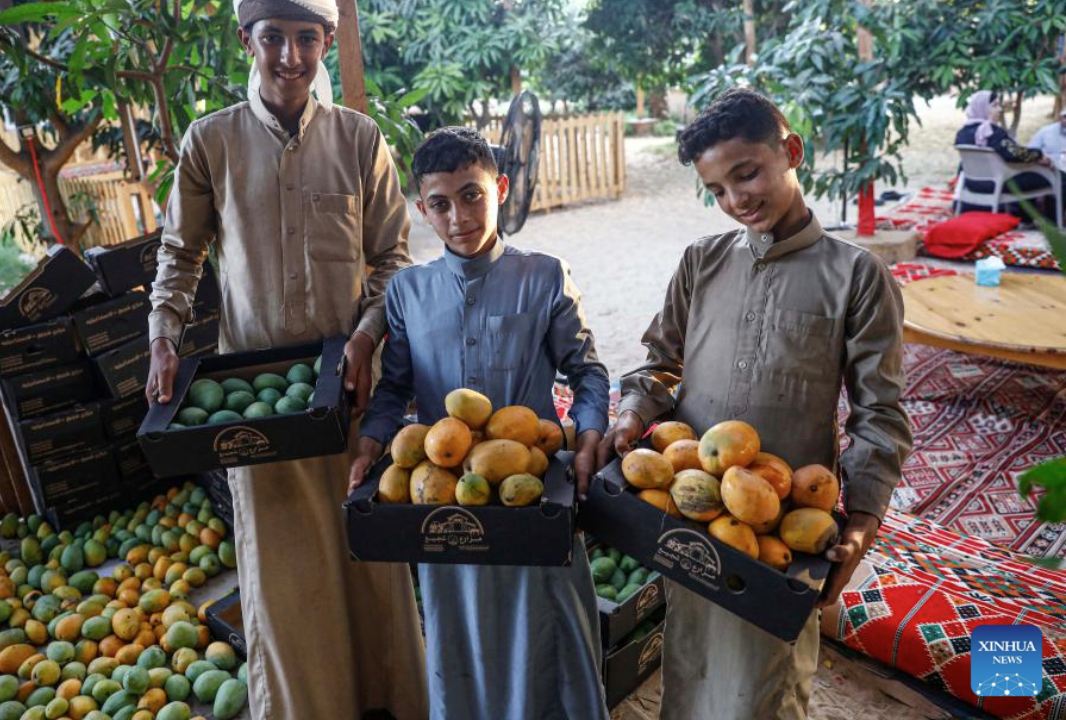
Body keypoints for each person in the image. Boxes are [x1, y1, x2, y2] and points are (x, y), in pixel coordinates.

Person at [145, 1, 427, 718]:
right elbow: (181, 252)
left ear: (327, 42)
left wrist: (365, 337)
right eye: (274, 38)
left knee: (370, 558)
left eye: (307, 38)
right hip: (255, 400)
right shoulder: (212, 142)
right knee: (283, 571)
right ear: (248, 40)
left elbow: (393, 259)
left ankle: (389, 700)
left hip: (350, 391)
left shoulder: (359, 140)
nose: (291, 56)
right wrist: (163, 336)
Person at [597, 88, 913, 720]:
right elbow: (661, 360)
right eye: (717, 189)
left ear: (790, 151)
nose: (736, 199)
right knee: (689, 658)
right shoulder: (702, 262)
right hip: (693, 510)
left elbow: (881, 414)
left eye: (748, 174)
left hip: (784, 531)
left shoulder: (856, 275)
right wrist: (634, 412)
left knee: (763, 683)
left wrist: (861, 521)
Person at [348, 127, 611, 720]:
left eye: (472, 195)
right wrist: (370, 445)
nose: (459, 216)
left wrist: (589, 435)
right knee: (460, 632)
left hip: (534, 494)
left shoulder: (544, 275)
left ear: (502, 188)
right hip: (447, 496)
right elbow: (393, 389)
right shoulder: (407, 293)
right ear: (422, 209)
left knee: (549, 636)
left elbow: (587, 372)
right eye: (440, 204)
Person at [956, 90, 1054, 205]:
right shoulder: (993, 132)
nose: (1000, 109)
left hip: (971, 183)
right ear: (982, 107)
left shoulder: (962, 133)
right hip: (997, 184)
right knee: (1049, 177)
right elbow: (1016, 154)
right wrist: (1039, 154)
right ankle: (1040, 218)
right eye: (995, 105)